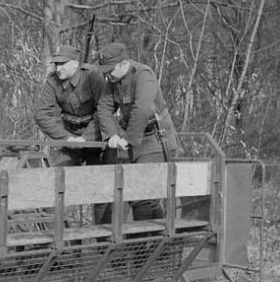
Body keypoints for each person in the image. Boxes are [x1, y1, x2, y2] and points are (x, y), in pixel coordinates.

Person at [96, 42, 178, 221]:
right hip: (135, 141)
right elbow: (104, 107)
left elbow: (143, 109)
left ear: (124, 63)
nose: (106, 75)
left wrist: (127, 139)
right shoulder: (112, 81)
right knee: (145, 197)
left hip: (155, 139)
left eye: (110, 70)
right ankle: (158, 237)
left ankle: (142, 238)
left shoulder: (143, 75)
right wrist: (112, 134)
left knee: (139, 194)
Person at [34, 45, 111, 224]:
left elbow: (104, 110)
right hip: (70, 137)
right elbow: (41, 115)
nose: (58, 68)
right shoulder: (53, 81)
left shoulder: (92, 76)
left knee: (102, 188)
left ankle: (105, 237)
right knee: (54, 181)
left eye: (62, 64)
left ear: (75, 64)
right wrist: (67, 138)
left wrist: (86, 138)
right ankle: (56, 235)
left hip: (96, 139)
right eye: (56, 64)